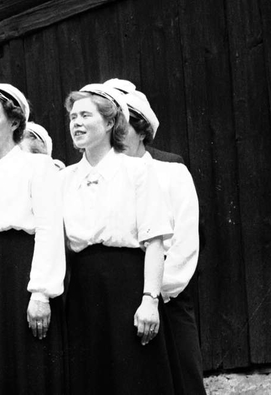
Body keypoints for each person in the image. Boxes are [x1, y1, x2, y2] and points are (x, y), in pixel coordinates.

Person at [62, 83, 175, 395]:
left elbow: (154, 241)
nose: (76, 123)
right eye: (73, 117)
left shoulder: (137, 171)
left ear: (110, 122)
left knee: (133, 377)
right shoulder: (63, 179)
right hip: (82, 292)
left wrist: (149, 300)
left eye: (86, 115)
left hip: (128, 287)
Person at [0, 83, 65, 395]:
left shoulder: (38, 165)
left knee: (25, 363)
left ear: (15, 121)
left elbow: (48, 229)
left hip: (22, 272)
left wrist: (41, 293)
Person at [107, 79, 205, 395]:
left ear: (141, 129)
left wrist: (154, 292)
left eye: (122, 125)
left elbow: (185, 242)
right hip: (118, 299)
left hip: (167, 298)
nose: (116, 134)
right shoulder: (100, 176)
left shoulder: (170, 170)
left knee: (181, 379)